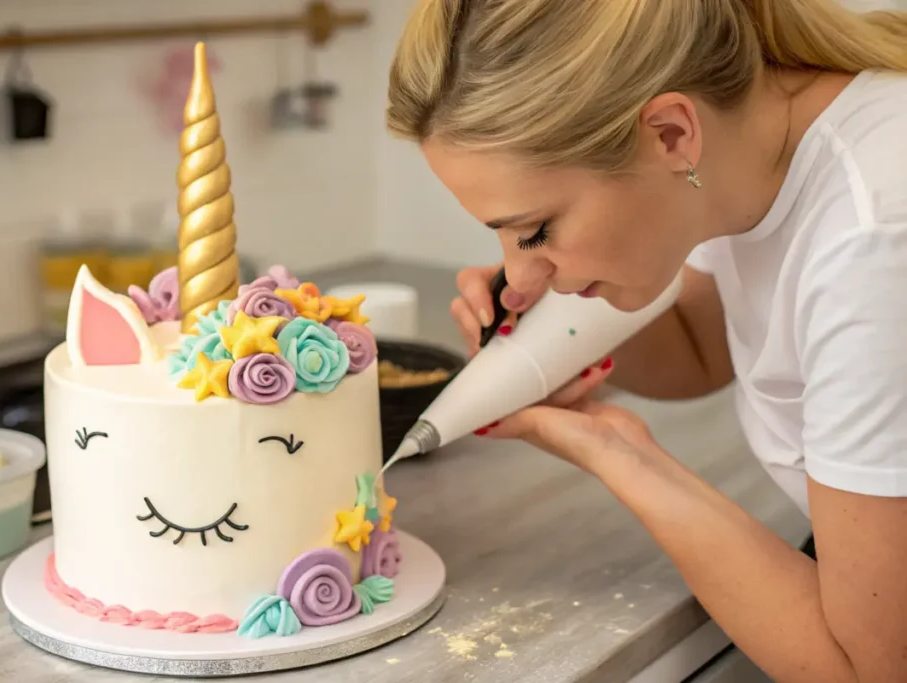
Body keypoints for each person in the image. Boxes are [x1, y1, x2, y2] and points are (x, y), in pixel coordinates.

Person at [385, 1, 907, 681]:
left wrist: (622, 453)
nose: (516, 277)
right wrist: (560, 329)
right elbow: (702, 346)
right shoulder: (757, 143)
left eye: (536, 230)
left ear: (668, 133)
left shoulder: (871, 243)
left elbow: (869, 668)